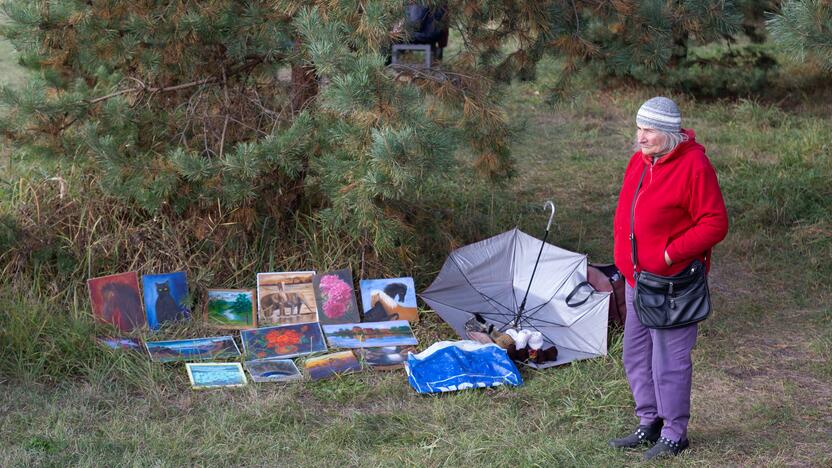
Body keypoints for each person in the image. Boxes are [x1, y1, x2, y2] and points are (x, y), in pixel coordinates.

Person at [609, 97, 729, 460]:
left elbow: (715, 222)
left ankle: (676, 432)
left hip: (672, 283)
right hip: (636, 279)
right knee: (636, 355)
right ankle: (650, 423)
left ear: (669, 133)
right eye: (638, 128)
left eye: (648, 130)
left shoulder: (694, 165)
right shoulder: (640, 161)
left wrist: (668, 254)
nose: (640, 136)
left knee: (669, 361)